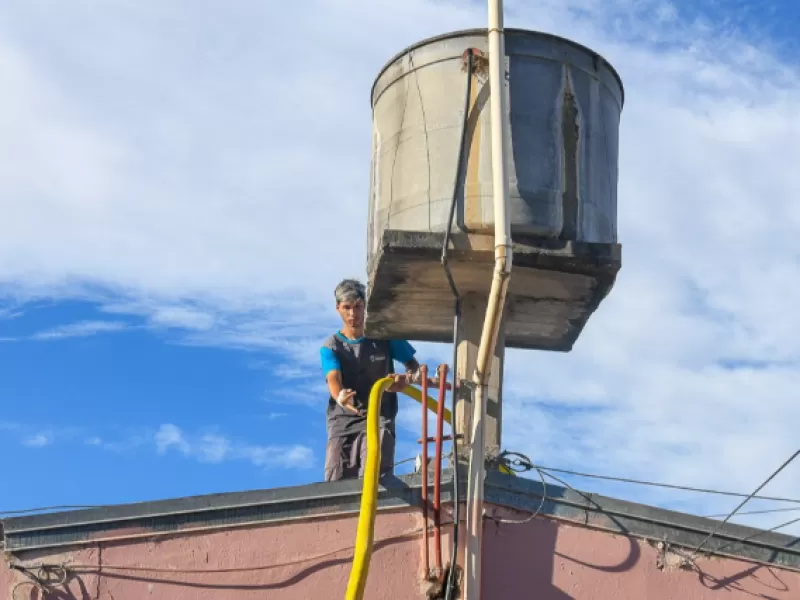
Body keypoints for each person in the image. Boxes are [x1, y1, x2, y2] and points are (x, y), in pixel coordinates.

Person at [320, 278, 420, 482]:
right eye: (347, 307)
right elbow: (333, 377)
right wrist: (341, 396)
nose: (352, 314)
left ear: (365, 307)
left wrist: (407, 379)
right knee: (336, 479)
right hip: (343, 420)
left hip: (379, 416)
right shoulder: (331, 346)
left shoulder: (384, 337)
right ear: (338, 308)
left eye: (357, 307)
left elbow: (413, 366)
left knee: (375, 476)